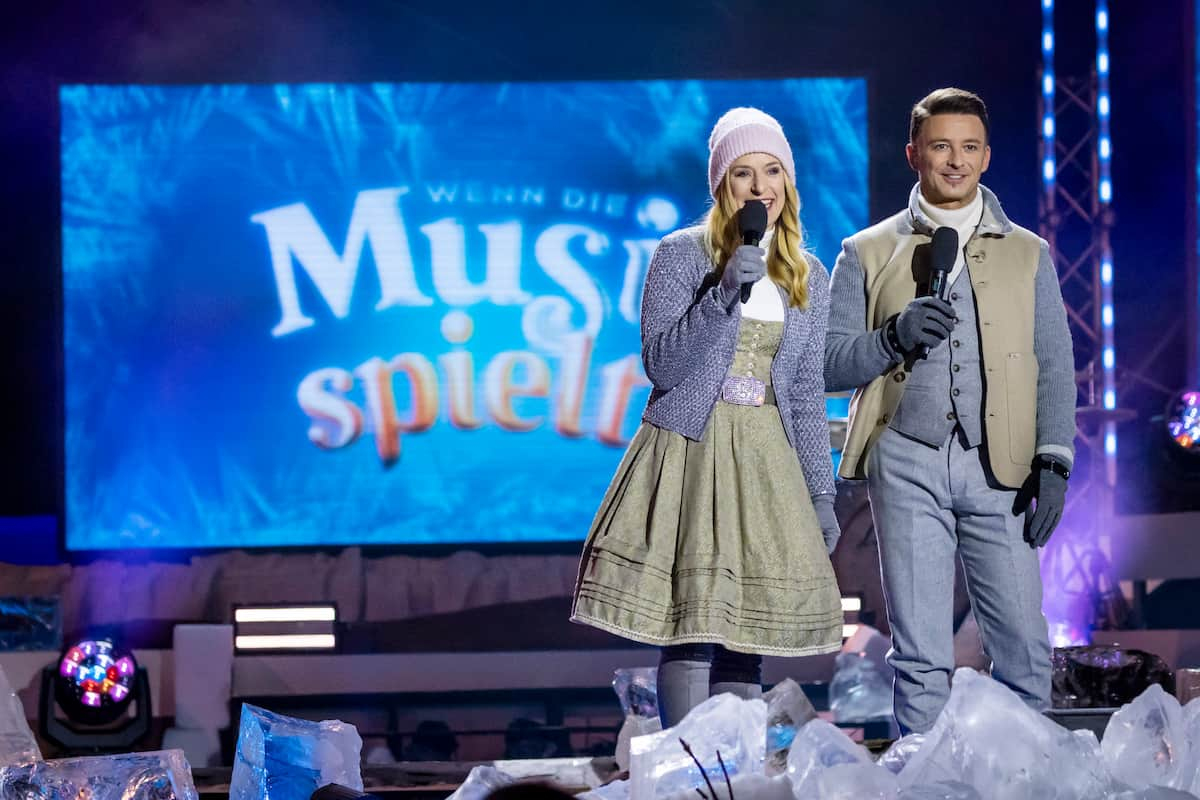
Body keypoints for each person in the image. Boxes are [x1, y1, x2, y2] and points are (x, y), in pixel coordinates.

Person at [570, 107, 843, 726]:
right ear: (723, 182)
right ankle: (687, 777)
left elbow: (802, 391)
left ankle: (734, 777)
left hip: (767, 458)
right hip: (693, 448)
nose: (760, 187)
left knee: (747, 640)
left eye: (772, 171)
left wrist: (820, 493)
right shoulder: (680, 255)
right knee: (693, 628)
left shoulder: (809, 274)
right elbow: (663, 366)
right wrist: (722, 294)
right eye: (744, 173)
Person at [824, 87, 1076, 734]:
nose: (955, 162)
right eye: (941, 147)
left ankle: (1030, 780)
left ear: (987, 157)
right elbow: (826, 362)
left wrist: (1055, 460)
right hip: (906, 456)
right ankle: (928, 784)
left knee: (1022, 643)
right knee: (920, 653)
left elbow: (1053, 362)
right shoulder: (865, 250)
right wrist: (893, 337)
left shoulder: (1030, 253)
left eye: (968, 148)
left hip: (1004, 466)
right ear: (915, 154)